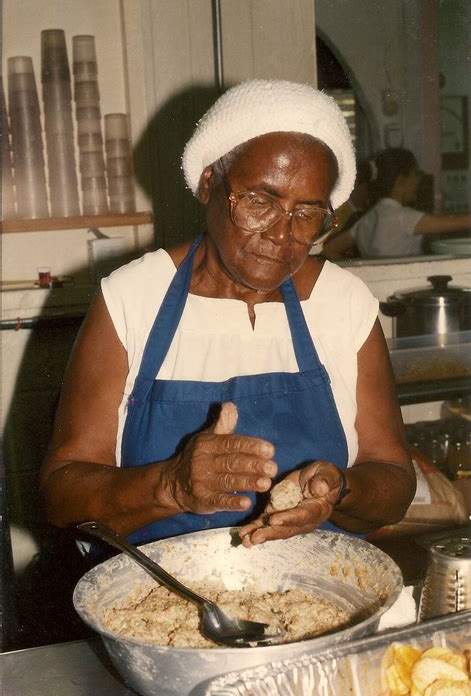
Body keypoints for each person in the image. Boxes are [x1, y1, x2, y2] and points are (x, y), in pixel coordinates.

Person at [40, 79, 415, 555]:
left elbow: (395, 483)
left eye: (307, 213)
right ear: (209, 182)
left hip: (317, 589)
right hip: (157, 599)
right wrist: (170, 485)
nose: (283, 234)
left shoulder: (343, 304)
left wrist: (339, 490)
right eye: (260, 202)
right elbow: (61, 494)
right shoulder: (132, 299)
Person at [324, 148, 471, 259]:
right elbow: (464, 222)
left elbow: (329, 249)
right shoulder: (404, 218)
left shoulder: (366, 221)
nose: (418, 181)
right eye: (415, 175)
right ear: (401, 180)